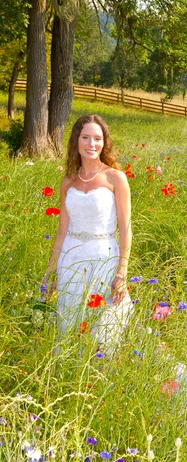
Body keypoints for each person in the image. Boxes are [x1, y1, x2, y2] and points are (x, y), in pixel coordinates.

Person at [42, 114, 133, 351]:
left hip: (103, 257)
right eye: (85, 138)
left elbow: (125, 229)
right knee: (69, 323)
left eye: (97, 138)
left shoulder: (115, 178)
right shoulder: (68, 182)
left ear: (104, 143)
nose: (91, 144)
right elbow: (62, 230)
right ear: (76, 141)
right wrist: (51, 271)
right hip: (70, 259)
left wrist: (122, 272)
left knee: (101, 328)